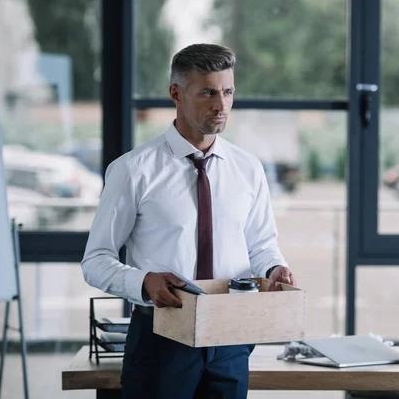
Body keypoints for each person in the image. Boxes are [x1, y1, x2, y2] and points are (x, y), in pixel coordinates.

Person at [81, 43, 297, 399]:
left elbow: (261, 244)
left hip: (230, 336)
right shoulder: (132, 171)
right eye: (208, 92)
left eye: (227, 92)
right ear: (176, 93)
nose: (221, 104)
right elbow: (95, 261)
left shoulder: (248, 169)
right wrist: (144, 281)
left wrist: (274, 267)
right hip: (161, 338)